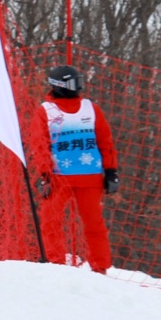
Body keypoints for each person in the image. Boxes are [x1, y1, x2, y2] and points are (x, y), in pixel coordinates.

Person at [25, 64, 120, 273]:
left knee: (94, 223)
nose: (78, 87)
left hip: (90, 177)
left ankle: (100, 266)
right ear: (60, 85)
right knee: (51, 222)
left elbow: (105, 140)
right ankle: (56, 264)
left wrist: (111, 171)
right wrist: (45, 174)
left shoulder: (90, 108)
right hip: (59, 178)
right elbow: (39, 144)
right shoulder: (46, 111)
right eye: (73, 83)